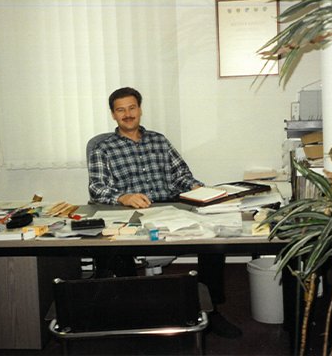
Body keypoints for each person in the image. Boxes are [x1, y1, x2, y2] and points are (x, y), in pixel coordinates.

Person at [87, 87, 242, 338]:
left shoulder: (159, 140)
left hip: (170, 206)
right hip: (129, 212)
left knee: (214, 241)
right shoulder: (103, 148)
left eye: (132, 107)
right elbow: (96, 188)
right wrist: (123, 196)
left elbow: (181, 175)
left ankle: (211, 310)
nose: (127, 114)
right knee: (114, 249)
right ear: (113, 114)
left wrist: (198, 189)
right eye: (121, 109)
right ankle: (133, 313)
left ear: (140, 109)